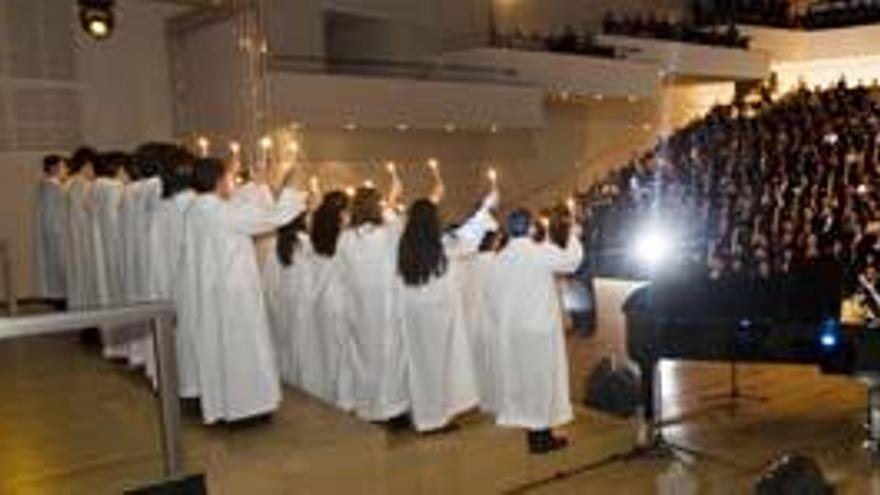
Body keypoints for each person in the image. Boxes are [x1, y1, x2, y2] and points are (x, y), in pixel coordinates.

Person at [178, 157, 305, 424]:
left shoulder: (196, 209)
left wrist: (252, 182)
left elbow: (240, 205)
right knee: (243, 349)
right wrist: (290, 187)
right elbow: (273, 217)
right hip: (234, 294)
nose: (231, 183)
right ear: (218, 180)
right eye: (228, 177)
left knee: (220, 348)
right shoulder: (224, 212)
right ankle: (246, 408)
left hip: (210, 292)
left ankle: (224, 403)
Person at [396, 170, 498, 432]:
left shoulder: (402, 246)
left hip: (412, 315)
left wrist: (435, 195)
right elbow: (471, 233)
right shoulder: (444, 246)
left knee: (418, 365)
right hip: (439, 318)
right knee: (439, 367)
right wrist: (487, 206)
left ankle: (419, 413)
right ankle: (434, 419)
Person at [489, 208, 583, 454]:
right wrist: (572, 232)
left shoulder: (499, 258)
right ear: (530, 227)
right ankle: (541, 434)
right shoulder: (539, 252)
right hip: (539, 329)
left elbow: (492, 296)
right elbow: (572, 261)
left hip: (514, 329)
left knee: (524, 381)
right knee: (541, 381)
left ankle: (534, 430)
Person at [336, 169, 409, 424]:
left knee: (363, 358)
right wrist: (392, 198)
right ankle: (392, 409)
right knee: (390, 359)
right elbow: (398, 222)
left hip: (359, 309)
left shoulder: (344, 239)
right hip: (387, 308)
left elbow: (340, 276)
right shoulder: (388, 233)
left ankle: (368, 408)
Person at [299, 191, 353, 408]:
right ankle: (343, 397)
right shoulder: (345, 240)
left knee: (325, 351)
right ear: (341, 215)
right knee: (342, 353)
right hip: (338, 300)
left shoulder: (315, 237)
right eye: (347, 212)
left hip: (318, 300)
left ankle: (327, 393)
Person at [91, 152, 128, 358]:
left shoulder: (96, 186)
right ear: (118, 169)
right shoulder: (114, 187)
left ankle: (111, 343)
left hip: (102, 249)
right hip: (116, 248)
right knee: (119, 294)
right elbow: (118, 220)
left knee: (107, 294)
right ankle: (121, 346)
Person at [65, 147, 99, 311]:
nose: (95, 172)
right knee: (88, 279)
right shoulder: (84, 184)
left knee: (78, 278)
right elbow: (91, 210)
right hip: (85, 238)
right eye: (94, 167)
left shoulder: (69, 183)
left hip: (74, 238)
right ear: (86, 165)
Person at [33, 154, 68, 306]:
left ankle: (58, 298)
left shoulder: (47, 185)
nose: (66, 170)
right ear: (54, 168)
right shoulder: (53, 187)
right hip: (57, 236)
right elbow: (53, 216)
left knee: (54, 273)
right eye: (63, 166)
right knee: (59, 273)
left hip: (53, 235)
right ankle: (60, 299)